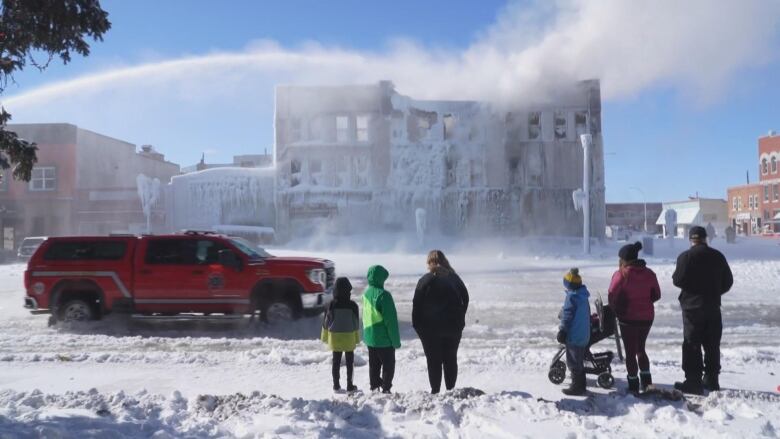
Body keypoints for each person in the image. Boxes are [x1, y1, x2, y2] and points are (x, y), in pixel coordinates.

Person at [672, 226, 733, 394]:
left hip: (692, 308)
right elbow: (728, 281)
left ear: (691, 239)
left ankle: (693, 381)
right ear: (706, 238)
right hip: (712, 306)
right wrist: (714, 291)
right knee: (712, 344)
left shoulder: (685, 257)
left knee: (692, 343)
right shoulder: (717, 256)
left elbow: (677, 280)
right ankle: (712, 379)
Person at [412, 250, 469, 394]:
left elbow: (416, 303)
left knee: (433, 361)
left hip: (430, 330)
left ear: (429, 263)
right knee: (450, 359)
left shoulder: (425, 279)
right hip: (453, 328)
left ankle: (435, 391)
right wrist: (460, 319)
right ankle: (450, 390)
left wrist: (417, 325)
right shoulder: (455, 278)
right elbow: (465, 298)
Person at [608, 241, 661, 393]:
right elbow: (656, 295)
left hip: (627, 319)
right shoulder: (649, 273)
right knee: (641, 349)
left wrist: (617, 310)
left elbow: (612, 296)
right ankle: (647, 382)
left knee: (630, 353)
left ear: (623, 259)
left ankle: (633, 385)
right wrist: (644, 302)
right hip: (647, 318)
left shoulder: (621, 275)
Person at [362, 265, 401, 393]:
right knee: (388, 366)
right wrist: (395, 341)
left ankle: (374, 387)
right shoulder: (384, 295)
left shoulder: (366, 294)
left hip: (370, 337)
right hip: (384, 340)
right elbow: (391, 322)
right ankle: (386, 389)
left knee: (374, 365)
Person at [321, 277, 360, 393]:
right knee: (349, 362)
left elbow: (325, 323)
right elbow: (356, 324)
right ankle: (350, 385)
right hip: (349, 337)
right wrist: (357, 339)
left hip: (335, 338)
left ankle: (336, 386)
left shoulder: (330, 305)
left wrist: (324, 338)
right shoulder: (353, 306)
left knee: (336, 362)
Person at [556, 268, 591, 396]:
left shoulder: (571, 297)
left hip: (574, 336)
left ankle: (577, 387)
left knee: (573, 362)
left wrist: (563, 331)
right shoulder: (583, 296)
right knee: (579, 361)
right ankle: (582, 385)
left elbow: (567, 315)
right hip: (583, 334)